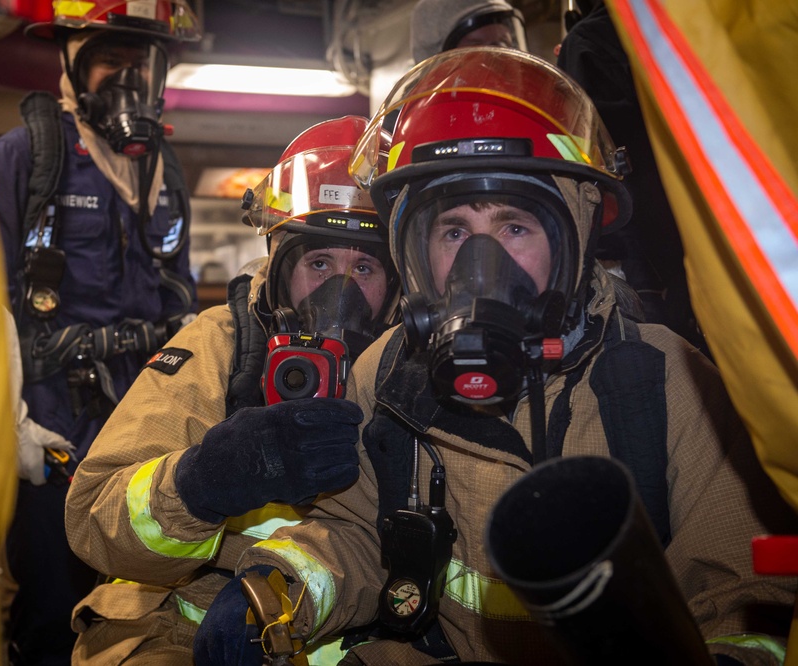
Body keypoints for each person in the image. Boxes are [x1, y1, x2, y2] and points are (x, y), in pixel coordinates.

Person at [193, 48, 798, 665]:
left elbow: (739, 591)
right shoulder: (387, 371)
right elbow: (352, 534)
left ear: (575, 237)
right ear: (415, 252)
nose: (481, 269)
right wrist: (278, 593)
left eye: (515, 227)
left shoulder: (668, 382)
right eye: (454, 232)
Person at [63, 116, 402, 664]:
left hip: (357, 630)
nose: (341, 293)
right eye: (319, 262)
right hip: (187, 620)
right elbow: (93, 521)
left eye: (365, 266)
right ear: (279, 262)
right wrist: (204, 482)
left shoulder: (416, 366)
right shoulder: (223, 343)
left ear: (399, 282)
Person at [0, 1, 200, 662]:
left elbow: (181, 297)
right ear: (73, 62)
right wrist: (11, 422)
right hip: (53, 423)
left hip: (144, 423)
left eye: (142, 60)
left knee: (143, 606)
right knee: (54, 608)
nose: (128, 76)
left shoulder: (163, 171)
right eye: (111, 58)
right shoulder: (28, 155)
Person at [556, 0, 708, 353]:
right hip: (715, 220)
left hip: (647, 248)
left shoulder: (589, 42)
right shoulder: (683, 20)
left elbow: (594, 167)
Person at [410, 0, 527, 63]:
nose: (498, 57)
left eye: (504, 42)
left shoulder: (530, 104)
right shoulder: (417, 108)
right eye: (476, 45)